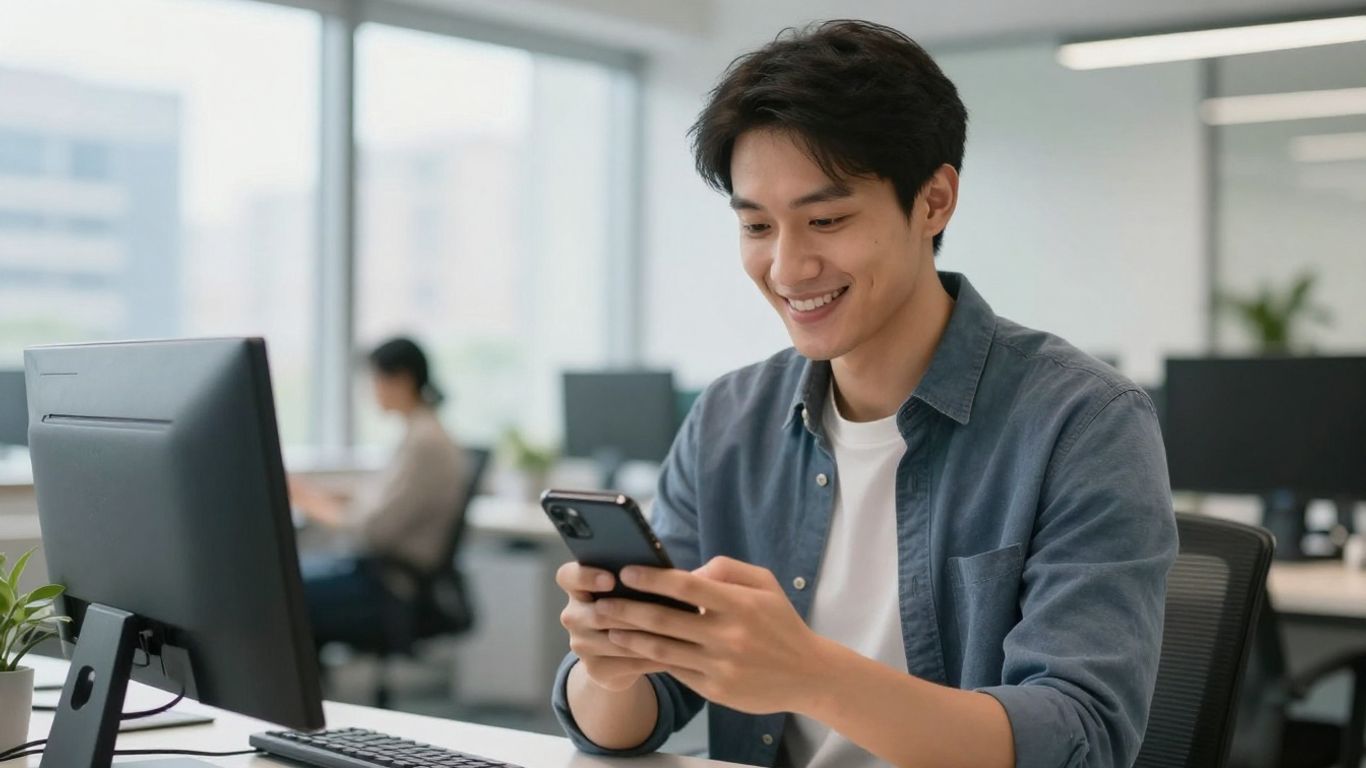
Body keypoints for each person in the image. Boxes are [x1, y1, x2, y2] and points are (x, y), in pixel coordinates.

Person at [551, 20, 1177, 768]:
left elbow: (1080, 740)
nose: (787, 267)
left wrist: (809, 673)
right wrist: (611, 665)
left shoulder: (1083, 423)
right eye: (756, 225)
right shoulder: (727, 421)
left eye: (827, 220)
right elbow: (631, 721)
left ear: (935, 201)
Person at [291, 337, 469, 646]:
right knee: (290, 579)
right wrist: (315, 492)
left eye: (374, 380)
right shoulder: (417, 432)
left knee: (284, 592)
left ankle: (300, 692)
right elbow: (375, 496)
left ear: (401, 380)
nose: (371, 391)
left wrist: (308, 502)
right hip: (381, 573)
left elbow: (371, 531)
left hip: (391, 584)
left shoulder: (426, 443)